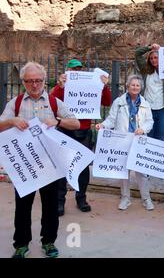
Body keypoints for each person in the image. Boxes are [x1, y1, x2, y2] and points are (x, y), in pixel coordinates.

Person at [0, 62, 80, 258]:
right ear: (23, 82)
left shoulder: (54, 102)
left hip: (50, 165)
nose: (34, 85)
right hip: (24, 166)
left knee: (51, 206)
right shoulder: (16, 103)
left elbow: (76, 122)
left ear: (44, 80)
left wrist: (58, 121)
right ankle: (21, 244)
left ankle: (49, 241)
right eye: (30, 81)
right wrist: (12, 121)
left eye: (38, 80)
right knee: (22, 207)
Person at [51, 58, 112, 216]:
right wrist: (60, 86)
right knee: (63, 167)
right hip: (65, 129)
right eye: (72, 69)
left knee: (83, 168)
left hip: (84, 131)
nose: (75, 72)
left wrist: (104, 86)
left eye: (78, 69)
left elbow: (107, 101)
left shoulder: (90, 85)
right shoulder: (61, 86)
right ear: (67, 71)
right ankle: (59, 202)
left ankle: (81, 198)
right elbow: (52, 103)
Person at [95, 75, 155, 211]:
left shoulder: (145, 104)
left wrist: (143, 129)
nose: (135, 87)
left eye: (137, 85)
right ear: (127, 86)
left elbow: (150, 121)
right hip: (122, 140)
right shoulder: (119, 102)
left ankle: (146, 198)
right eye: (132, 85)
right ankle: (125, 198)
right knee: (123, 171)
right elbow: (111, 119)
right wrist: (103, 125)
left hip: (139, 140)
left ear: (141, 88)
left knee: (141, 172)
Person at [135, 43, 164, 141]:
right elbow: (137, 54)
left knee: (160, 137)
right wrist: (149, 47)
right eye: (151, 58)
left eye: (156, 57)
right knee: (148, 137)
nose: (153, 60)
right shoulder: (146, 69)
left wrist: (162, 50)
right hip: (148, 109)